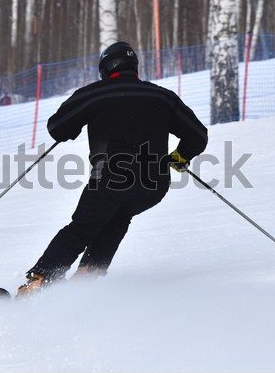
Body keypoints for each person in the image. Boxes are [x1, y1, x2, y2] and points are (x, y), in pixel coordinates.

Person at [17, 41, 208, 296]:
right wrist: (178, 158)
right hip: (154, 184)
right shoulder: (161, 96)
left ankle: (39, 282)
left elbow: (57, 128)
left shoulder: (95, 94)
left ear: (105, 68)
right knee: (118, 218)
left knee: (82, 228)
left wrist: (73, 126)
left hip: (112, 178)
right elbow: (198, 135)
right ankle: (86, 279)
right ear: (134, 67)